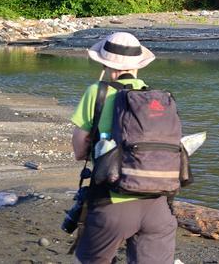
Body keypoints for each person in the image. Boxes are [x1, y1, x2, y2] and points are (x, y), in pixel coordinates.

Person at [70, 31, 178, 264]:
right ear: (138, 65)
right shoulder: (158, 98)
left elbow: (79, 150)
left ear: (105, 62)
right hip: (159, 205)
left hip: (112, 202)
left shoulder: (97, 92)